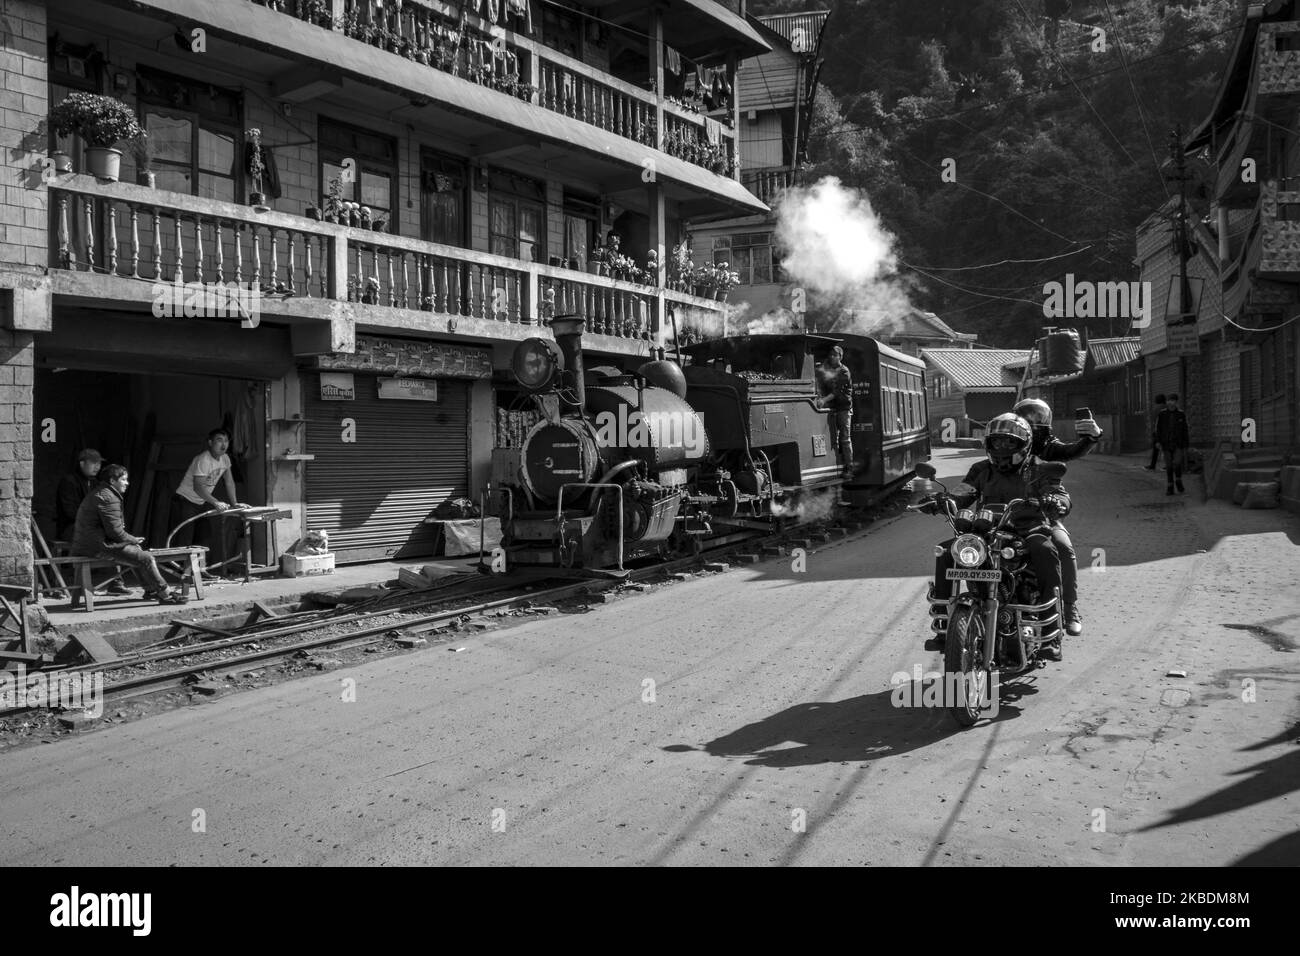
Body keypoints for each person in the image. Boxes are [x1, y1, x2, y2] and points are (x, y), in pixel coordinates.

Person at [923, 413, 1069, 661]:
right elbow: (964, 491)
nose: (1001, 448)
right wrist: (944, 500)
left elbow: (1059, 493)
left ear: (1023, 444)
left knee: (1044, 549)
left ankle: (1050, 629)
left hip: (1027, 531)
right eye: (997, 442)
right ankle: (945, 625)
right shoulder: (981, 470)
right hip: (988, 532)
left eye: (1009, 442)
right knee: (948, 551)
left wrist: (1056, 501)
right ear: (988, 444)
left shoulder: (1039, 469)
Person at [1012, 398, 1101, 637]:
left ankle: (1069, 606)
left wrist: (1091, 438)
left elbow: (1071, 451)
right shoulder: (1006, 442)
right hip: (1005, 516)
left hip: (1041, 514)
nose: (1032, 423)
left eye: (1037, 419)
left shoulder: (1049, 447)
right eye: (1027, 418)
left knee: (1063, 547)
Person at [71, 464, 187, 605]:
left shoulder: (104, 492)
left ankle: (151, 589)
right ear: (113, 481)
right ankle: (165, 594)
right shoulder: (108, 497)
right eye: (124, 479)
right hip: (96, 547)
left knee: (136, 552)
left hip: (90, 543)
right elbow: (115, 532)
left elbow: (114, 530)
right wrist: (133, 539)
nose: (127, 483)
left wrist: (131, 541)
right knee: (146, 558)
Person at [169, 428, 243, 571]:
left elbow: (229, 482)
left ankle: (198, 572)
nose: (223, 445)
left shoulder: (225, 459)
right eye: (219, 440)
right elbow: (198, 488)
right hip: (185, 500)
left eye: (226, 441)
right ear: (210, 442)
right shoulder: (203, 459)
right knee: (185, 539)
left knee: (204, 537)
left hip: (200, 502)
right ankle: (183, 574)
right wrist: (216, 502)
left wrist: (235, 503)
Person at [815, 345, 854, 477]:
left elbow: (837, 392)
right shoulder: (828, 369)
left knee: (845, 438)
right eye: (830, 354)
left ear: (840, 357)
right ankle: (834, 466)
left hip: (844, 408)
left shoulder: (844, 371)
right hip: (832, 407)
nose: (832, 357)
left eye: (835, 355)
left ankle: (849, 467)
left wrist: (823, 400)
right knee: (832, 438)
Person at [55, 448, 102, 541]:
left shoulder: (96, 484)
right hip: (71, 528)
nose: (97, 467)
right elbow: (71, 512)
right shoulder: (69, 481)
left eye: (99, 463)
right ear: (82, 463)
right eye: (93, 463)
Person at [1155, 394, 1190, 495]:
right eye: (1169, 400)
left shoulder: (1181, 414)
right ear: (1167, 402)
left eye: (1173, 400)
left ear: (1176, 402)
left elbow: (1185, 429)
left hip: (1178, 443)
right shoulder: (1162, 414)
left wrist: (1186, 444)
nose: (1171, 403)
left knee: (1177, 463)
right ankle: (1170, 486)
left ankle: (1178, 480)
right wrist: (1158, 441)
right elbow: (1158, 429)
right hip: (1166, 443)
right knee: (1169, 465)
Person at [1144, 394, 1166, 470]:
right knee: (1167, 449)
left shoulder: (1156, 409)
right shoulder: (1167, 407)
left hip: (1158, 431)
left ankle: (1152, 465)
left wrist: (1152, 432)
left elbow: (1153, 421)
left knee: (1156, 449)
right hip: (1168, 431)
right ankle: (1169, 465)